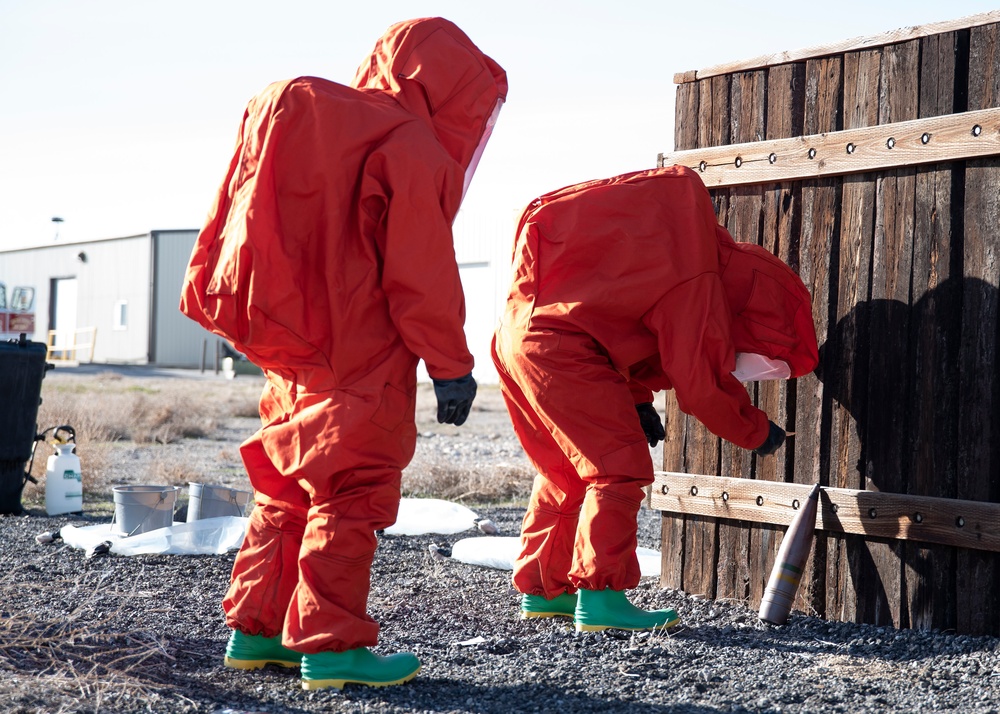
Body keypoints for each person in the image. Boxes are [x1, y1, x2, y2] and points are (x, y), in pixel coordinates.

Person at [179, 17, 507, 690]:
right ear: (449, 86)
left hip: (296, 346)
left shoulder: (333, 128)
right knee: (350, 490)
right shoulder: (411, 145)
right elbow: (420, 270)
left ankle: (256, 631)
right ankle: (330, 648)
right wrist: (451, 365)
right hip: (364, 349)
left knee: (287, 487)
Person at [491, 165, 819, 631]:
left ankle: (547, 591)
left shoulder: (681, 244)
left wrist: (637, 398)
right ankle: (602, 599)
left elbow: (616, 316)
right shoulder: (701, 277)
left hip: (517, 334)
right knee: (617, 468)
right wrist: (754, 429)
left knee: (565, 471)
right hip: (562, 347)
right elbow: (698, 379)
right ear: (758, 311)